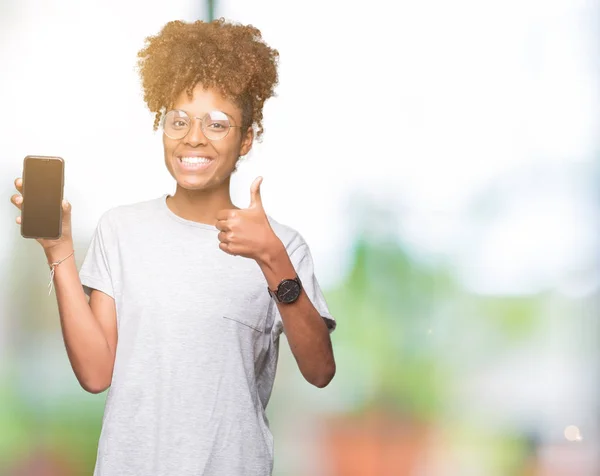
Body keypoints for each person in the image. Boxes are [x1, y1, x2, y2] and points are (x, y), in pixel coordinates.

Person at [11, 18, 337, 476]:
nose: (194, 137)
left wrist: (273, 260)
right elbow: (95, 374)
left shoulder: (280, 245)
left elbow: (320, 370)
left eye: (217, 124)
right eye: (178, 120)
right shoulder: (120, 229)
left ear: (246, 139)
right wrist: (58, 248)